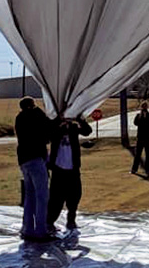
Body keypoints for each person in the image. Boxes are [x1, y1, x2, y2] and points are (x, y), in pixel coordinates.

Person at [14, 97, 52, 241]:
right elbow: (47, 127)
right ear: (32, 106)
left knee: (30, 195)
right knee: (42, 196)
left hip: (24, 160)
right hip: (36, 158)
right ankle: (41, 231)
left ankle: (28, 228)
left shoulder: (19, 118)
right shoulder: (36, 116)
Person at [47, 114, 92, 231]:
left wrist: (80, 120)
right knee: (56, 198)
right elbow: (47, 136)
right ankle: (50, 221)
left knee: (75, 195)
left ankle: (71, 219)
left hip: (73, 168)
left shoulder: (73, 128)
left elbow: (87, 131)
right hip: (58, 169)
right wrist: (58, 123)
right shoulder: (56, 127)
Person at [131, 101, 149, 177]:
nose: (144, 108)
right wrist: (141, 116)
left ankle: (147, 169)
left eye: (145, 107)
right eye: (143, 107)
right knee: (137, 154)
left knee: (148, 155)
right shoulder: (138, 116)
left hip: (148, 138)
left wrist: (144, 117)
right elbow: (135, 123)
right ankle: (134, 169)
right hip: (140, 138)